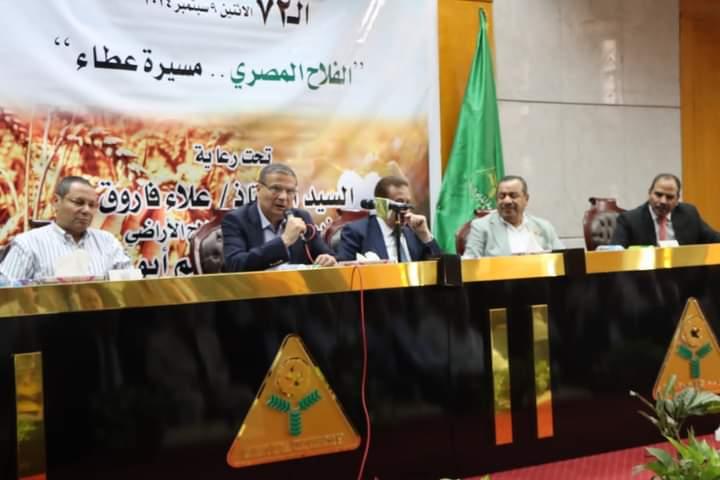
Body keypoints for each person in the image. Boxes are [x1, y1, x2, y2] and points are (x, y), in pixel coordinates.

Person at [0, 176, 131, 281]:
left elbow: (130, 286)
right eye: (78, 202)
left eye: (92, 205)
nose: (86, 210)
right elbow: (6, 297)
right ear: (56, 201)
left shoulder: (108, 242)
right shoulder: (27, 244)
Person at [222, 164, 336, 272]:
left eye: (290, 191)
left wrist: (328, 259)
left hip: (296, 285)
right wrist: (284, 241)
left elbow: (327, 254)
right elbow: (235, 265)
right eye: (275, 189)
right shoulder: (236, 220)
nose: (283, 197)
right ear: (258, 189)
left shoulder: (301, 217)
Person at [336, 175, 442, 262]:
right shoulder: (357, 232)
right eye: (399, 202)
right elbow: (343, 271)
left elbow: (440, 267)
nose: (405, 208)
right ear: (380, 205)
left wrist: (425, 235)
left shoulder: (414, 232)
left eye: (407, 203)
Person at [463, 175, 563, 258]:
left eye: (513, 195)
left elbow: (563, 259)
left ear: (526, 199)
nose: (507, 201)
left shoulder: (544, 226)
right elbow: (470, 265)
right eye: (502, 196)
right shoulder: (481, 227)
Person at [610, 173, 720, 247]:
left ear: (677, 199)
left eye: (669, 197)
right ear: (649, 193)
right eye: (658, 195)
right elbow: (616, 252)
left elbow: (714, 239)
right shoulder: (630, 220)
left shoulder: (689, 214)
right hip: (647, 273)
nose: (663, 201)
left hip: (682, 272)